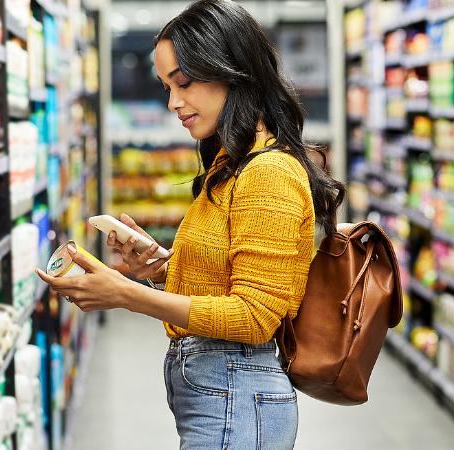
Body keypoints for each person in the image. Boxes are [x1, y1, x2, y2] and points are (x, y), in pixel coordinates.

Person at [36, 1, 346, 448]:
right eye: (166, 86)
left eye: (184, 82)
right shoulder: (231, 161)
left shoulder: (269, 172)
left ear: (232, 70)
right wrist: (163, 267)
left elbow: (255, 316)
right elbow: (229, 278)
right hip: (222, 392)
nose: (173, 102)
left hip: (237, 396)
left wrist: (128, 295)